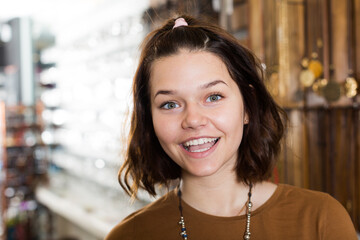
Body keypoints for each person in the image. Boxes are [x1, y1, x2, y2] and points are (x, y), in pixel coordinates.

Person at [105, 15, 358, 240]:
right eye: (170, 104)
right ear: (149, 118)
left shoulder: (321, 221)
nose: (193, 119)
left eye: (213, 97)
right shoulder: (129, 235)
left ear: (247, 107)